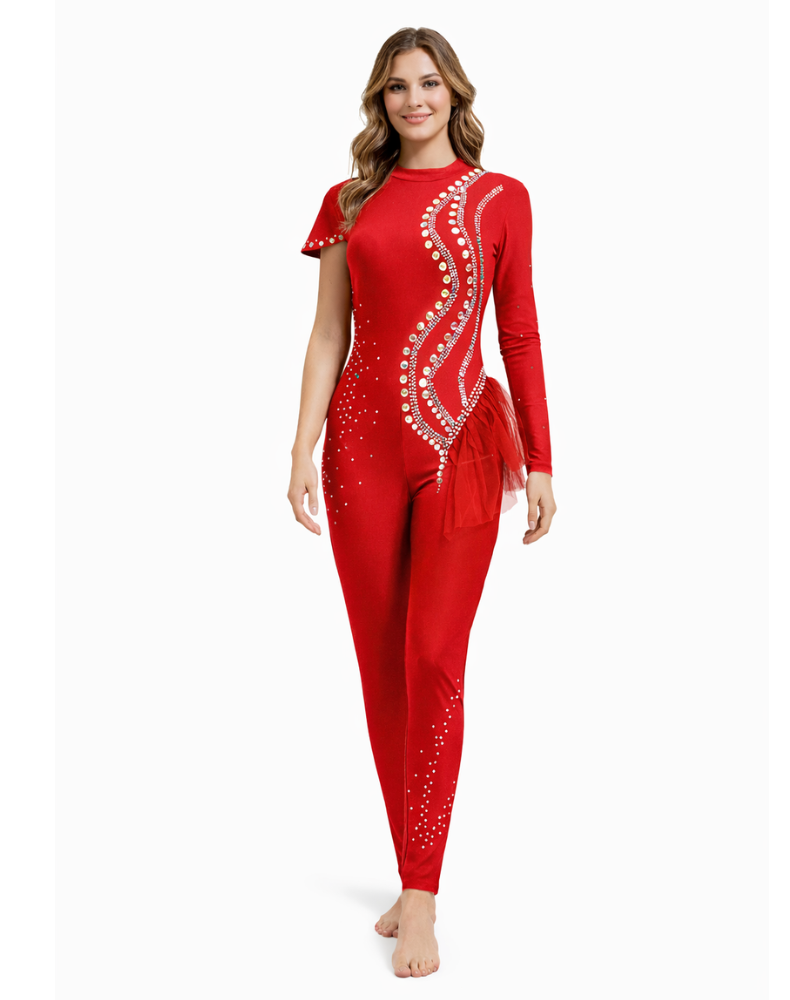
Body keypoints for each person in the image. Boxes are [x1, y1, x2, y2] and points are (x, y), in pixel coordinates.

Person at [288, 26, 556, 978]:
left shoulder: (500, 198)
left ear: (455, 94)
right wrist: (301, 446)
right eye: (396, 86)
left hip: (461, 448)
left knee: (434, 657)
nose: (413, 100)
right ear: (380, 101)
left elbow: (518, 332)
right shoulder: (349, 201)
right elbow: (329, 333)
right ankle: (411, 876)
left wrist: (542, 459)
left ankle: (422, 898)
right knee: (382, 666)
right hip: (359, 449)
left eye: (429, 83)